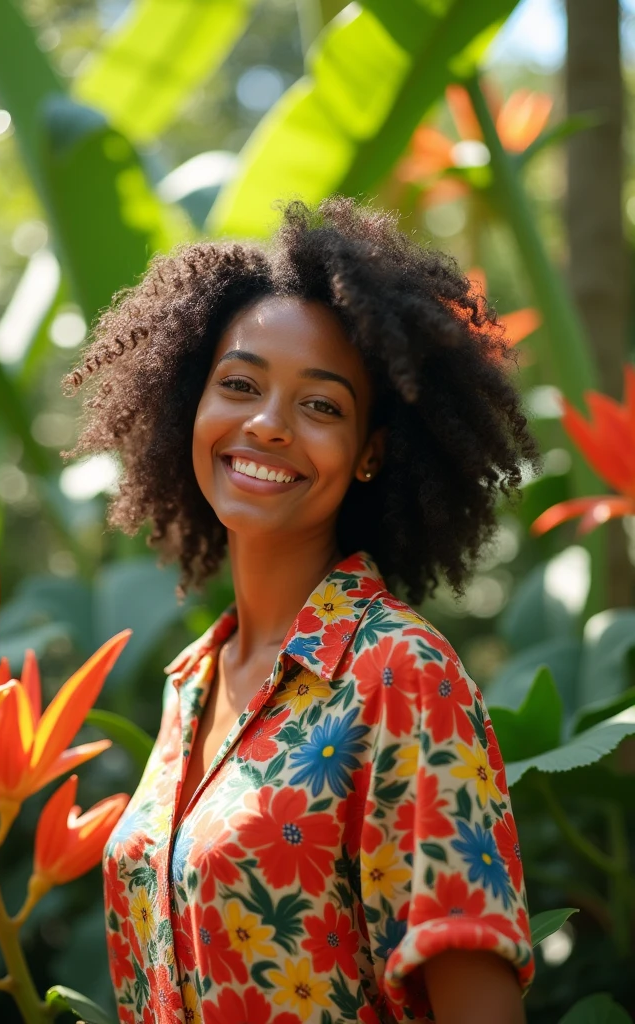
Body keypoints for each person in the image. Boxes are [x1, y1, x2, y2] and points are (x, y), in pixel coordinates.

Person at [62, 197, 539, 1024]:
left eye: (320, 405)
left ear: (370, 455)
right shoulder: (194, 684)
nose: (267, 425)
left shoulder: (399, 674)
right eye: (239, 385)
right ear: (190, 407)